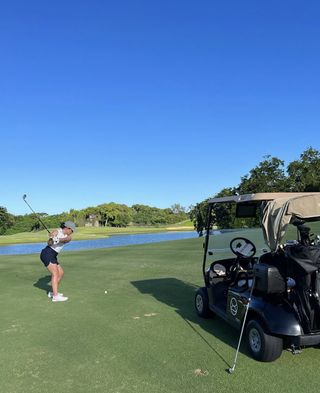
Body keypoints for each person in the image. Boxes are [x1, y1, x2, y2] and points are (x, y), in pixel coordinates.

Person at [40, 221, 76, 302]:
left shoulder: (68, 237)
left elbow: (66, 240)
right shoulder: (57, 231)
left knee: (61, 273)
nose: (72, 232)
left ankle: (52, 292)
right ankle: (56, 297)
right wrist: (52, 238)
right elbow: (49, 243)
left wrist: (58, 239)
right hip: (47, 253)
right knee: (55, 274)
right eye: (72, 230)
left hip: (53, 255)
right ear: (67, 228)